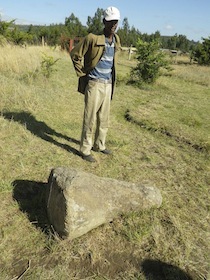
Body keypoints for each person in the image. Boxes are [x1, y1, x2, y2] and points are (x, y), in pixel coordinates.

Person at [70, 6, 121, 162]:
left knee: (104, 118)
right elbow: (75, 55)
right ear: (104, 21)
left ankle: (100, 145)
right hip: (94, 84)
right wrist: (83, 75)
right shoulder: (93, 38)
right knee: (90, 118)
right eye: (110, 21)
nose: (113, 25)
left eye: (116, 22)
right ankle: (85, 149)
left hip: (108, 84)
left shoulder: (117, 39)